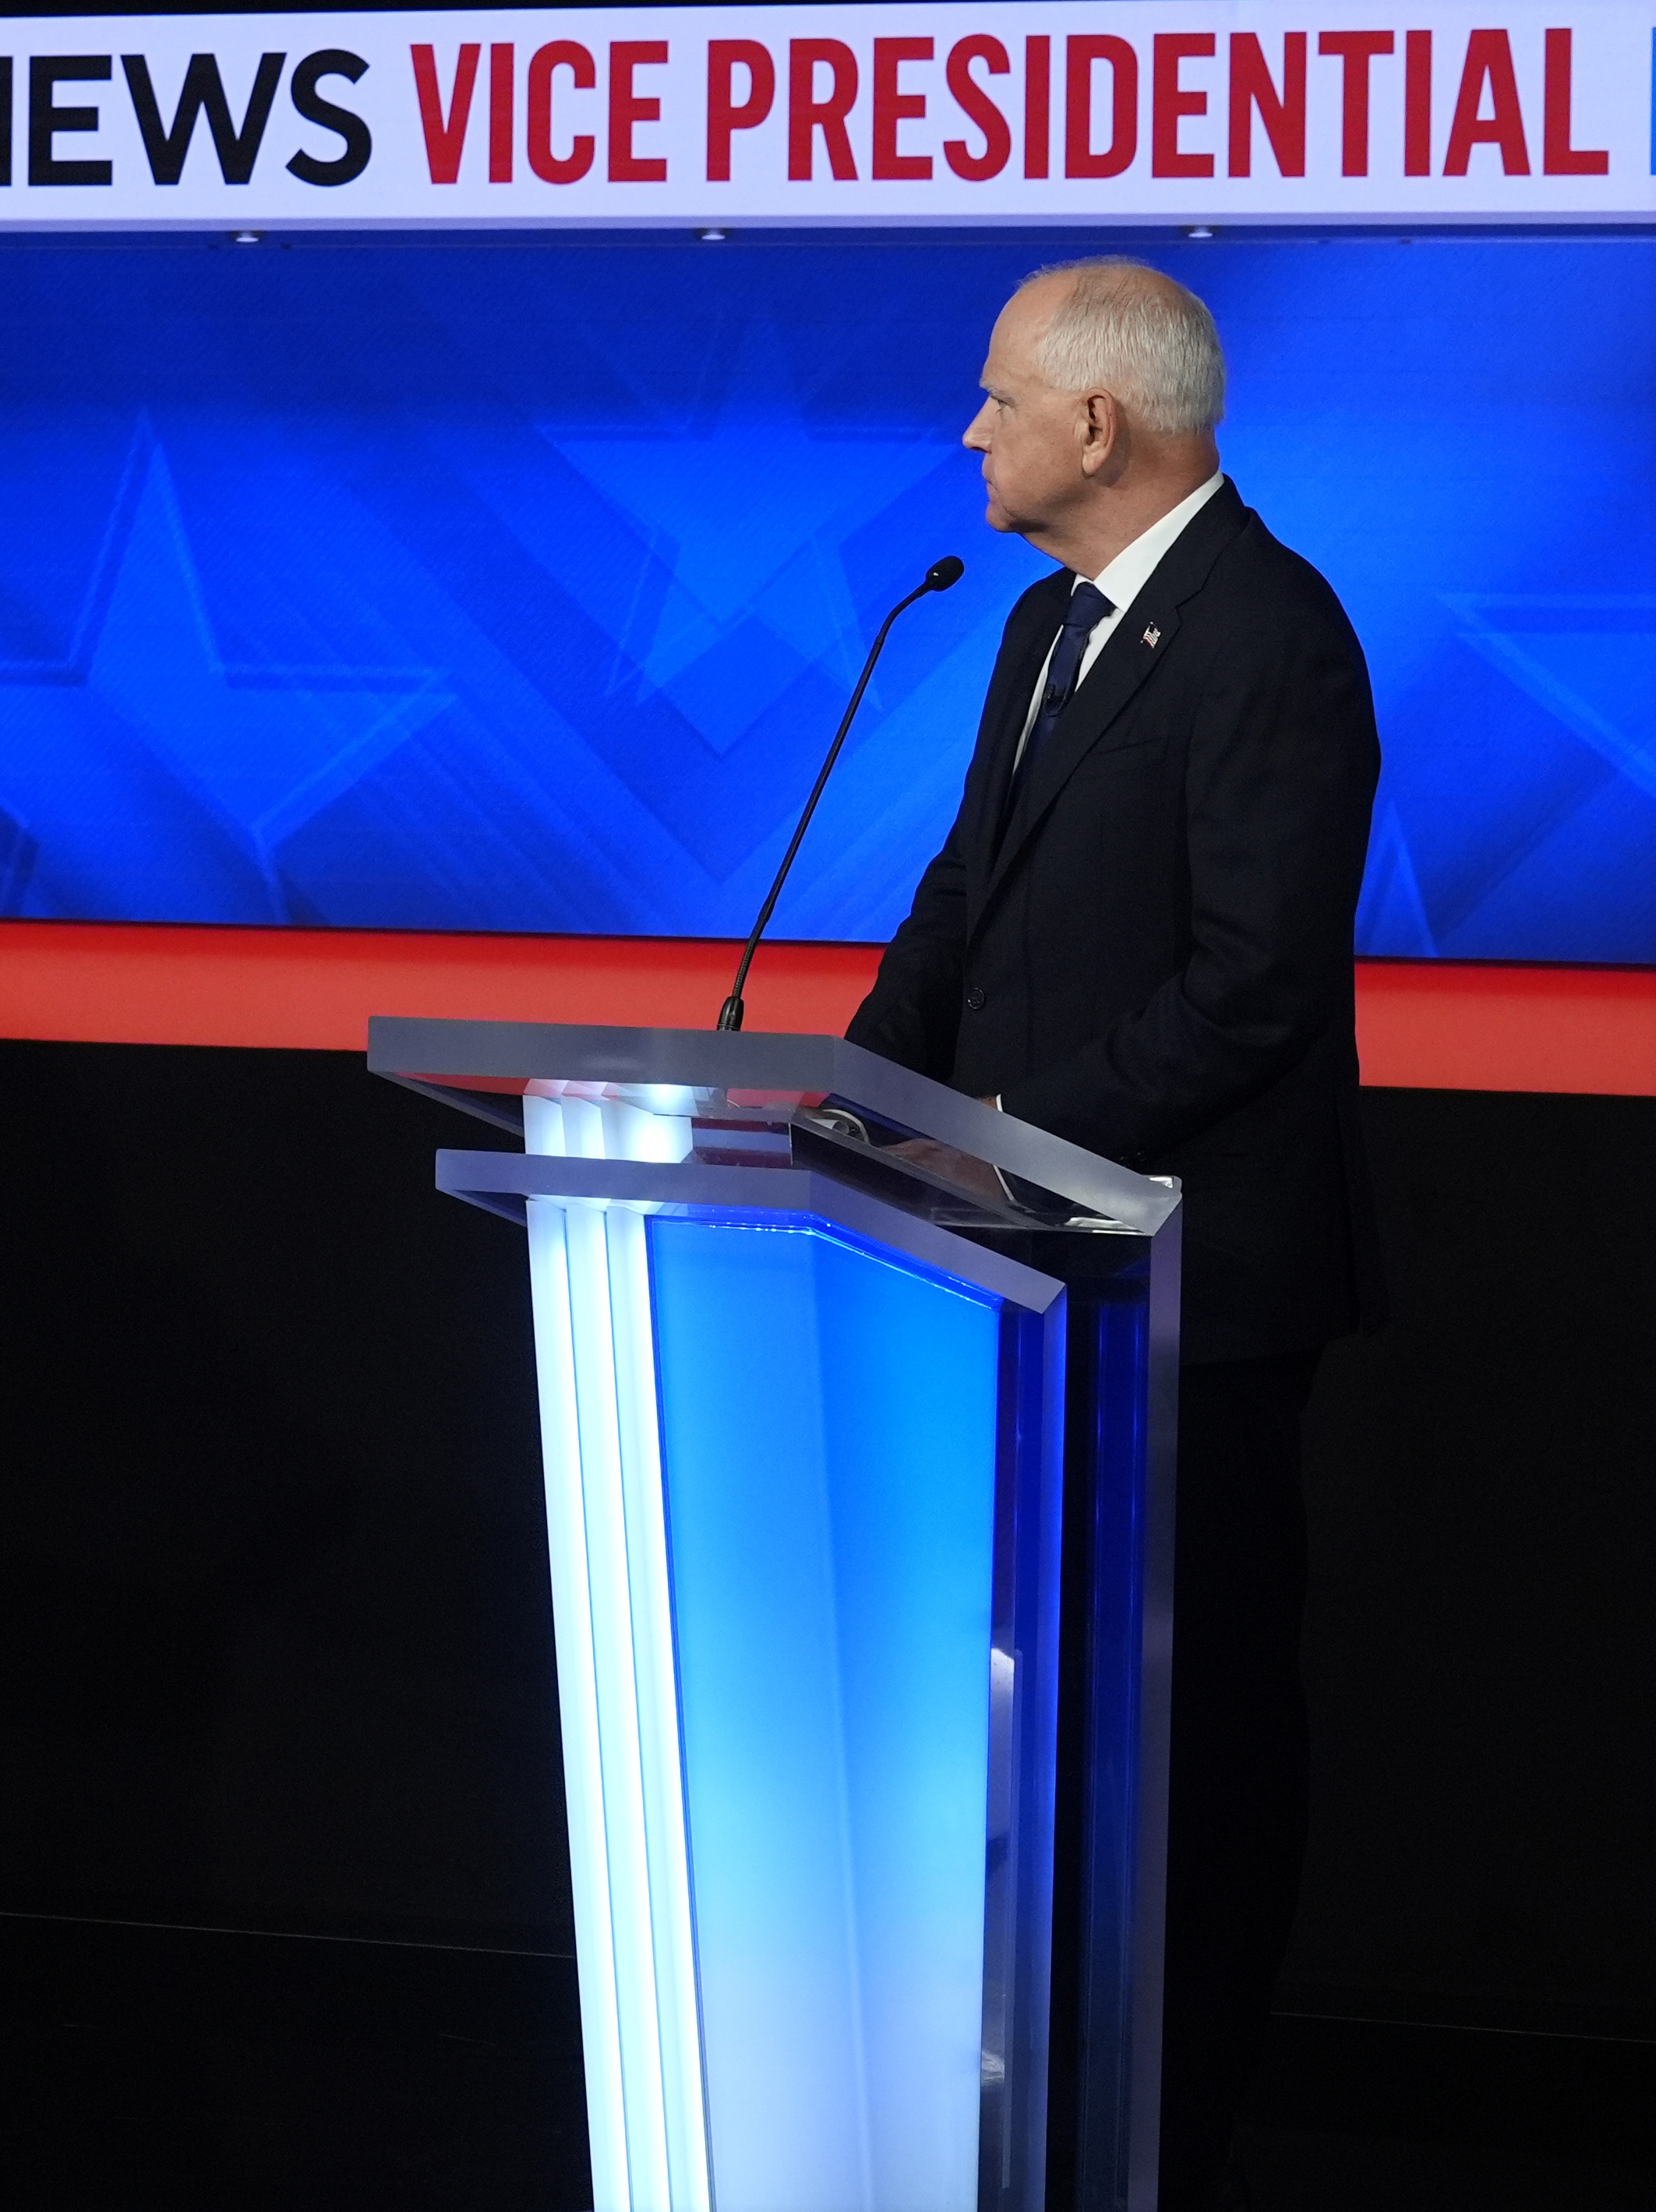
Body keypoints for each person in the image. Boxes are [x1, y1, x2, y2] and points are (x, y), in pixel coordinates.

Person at [847, 257, 1381, 2207]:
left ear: (1099, 423)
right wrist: (850, 1105)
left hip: (1193, 1292)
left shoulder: (1270, 634)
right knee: (1043, 1739)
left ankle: (1185, 2130)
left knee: (1201, 1738)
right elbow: (959, 899)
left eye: (995, 399)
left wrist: (1003, 1141)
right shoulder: (1032, 632)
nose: (968, 433)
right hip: (1023, 1272)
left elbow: (1250, 986)